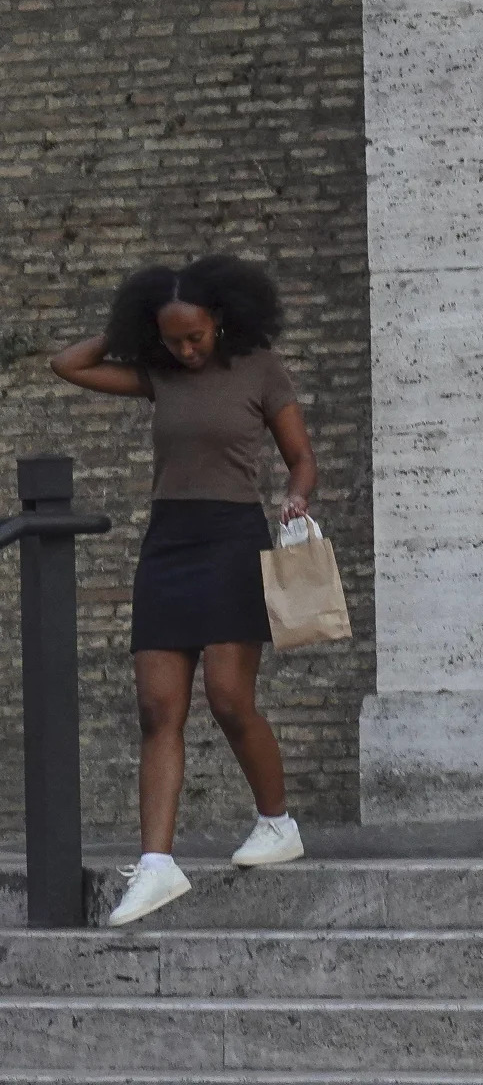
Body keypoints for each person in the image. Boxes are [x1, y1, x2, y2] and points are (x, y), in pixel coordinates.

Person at [51, 255, 318, 926]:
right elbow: (68, 365)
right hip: (168, 543)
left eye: (195, 334)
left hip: (232, 537)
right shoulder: (158, 372)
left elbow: (300, 456)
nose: (186, 348)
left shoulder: (259, 366)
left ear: (221, 319)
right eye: (173, 337)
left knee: (230, 700)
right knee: (156, 708)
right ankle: (157, 865)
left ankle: (277, 823)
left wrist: (297, 496)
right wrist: (133, 328)